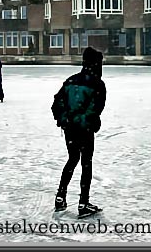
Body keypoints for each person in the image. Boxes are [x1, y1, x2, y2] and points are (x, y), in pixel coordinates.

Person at [51, 46, 106, 218]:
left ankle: (60, 197)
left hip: (70, 129)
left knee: (73, 159)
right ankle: (83, 203)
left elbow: (56, 104)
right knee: (86, 163)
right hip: (85, 129)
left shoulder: (70, 81)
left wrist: (66, 120)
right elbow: (95, 108)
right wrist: (84, 122)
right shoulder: (97, 84)